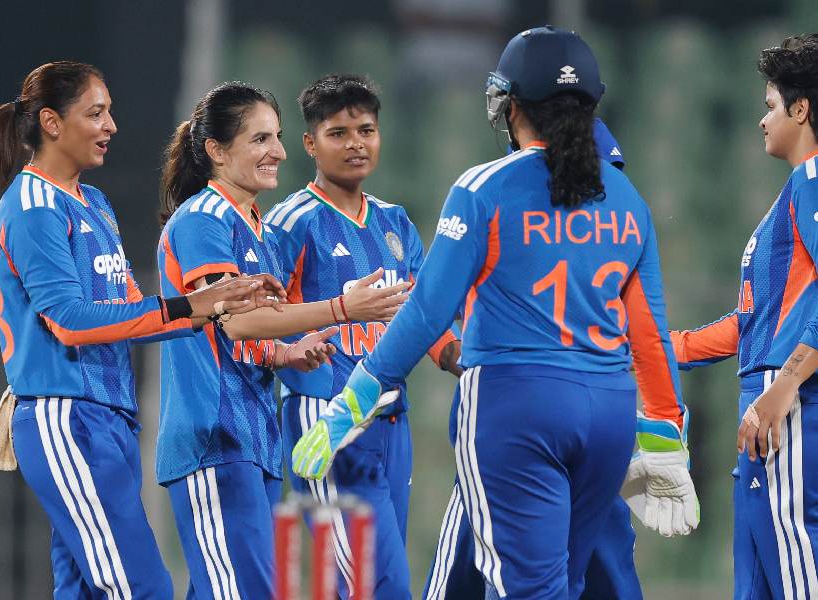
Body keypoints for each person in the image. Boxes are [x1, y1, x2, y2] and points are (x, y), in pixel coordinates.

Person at [292, 27, 694, 599]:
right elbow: (649, 333)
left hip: (516, 405)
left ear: (512, 105)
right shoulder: (629, 198)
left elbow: (429, 309)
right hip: (608, 409)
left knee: (527, 589)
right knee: (567, 583)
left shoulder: (485, 186)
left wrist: (358, 395)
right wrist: (664, 434)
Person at [0, 62, 277, 599]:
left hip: (108, 418)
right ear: (51, 122)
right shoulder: (31, 206)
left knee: (84, 589)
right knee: (142, 587)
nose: (111, 125)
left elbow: (130, 315)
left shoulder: (94, 204)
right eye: (96, 113)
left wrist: (210, 308)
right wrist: (188, 305)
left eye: (109, 112)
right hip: (66, 415)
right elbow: (70, 322)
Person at [157, 80, 408, 599]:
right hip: (215, 436)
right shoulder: (204, 219)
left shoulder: (257, 228)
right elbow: (234, 320)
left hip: (255, 439)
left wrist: (285, 352)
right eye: (260, 139)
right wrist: (343, 309)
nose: (278, 152)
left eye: (277, 137)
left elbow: (244, 337)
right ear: (217, 150)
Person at [670, 34, 818, 599]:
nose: (763, 119)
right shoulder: (809, 187)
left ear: (801, 110)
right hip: (797, 402)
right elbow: (756, 321)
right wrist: (667, 348)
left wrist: (786, 384)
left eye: (772, 105)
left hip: (804, 404)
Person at [423, 118, 650, 600]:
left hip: (583, 429)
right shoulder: (506, 215)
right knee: (472, 556)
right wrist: (456, 354)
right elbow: (427, 308)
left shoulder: (608, 232)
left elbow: (643, 337)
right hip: (514, 426)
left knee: (607, 566)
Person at [265, 74, 460, 599]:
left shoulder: (395, 221)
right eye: (338, 133)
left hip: (393, 421)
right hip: (327, 416)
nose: (356, 143)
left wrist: (463, 358)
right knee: (379, 585)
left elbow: (427, 316)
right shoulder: (291, 222)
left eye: (366, 130)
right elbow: (260, 317)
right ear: (310, 144)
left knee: (362, 584)